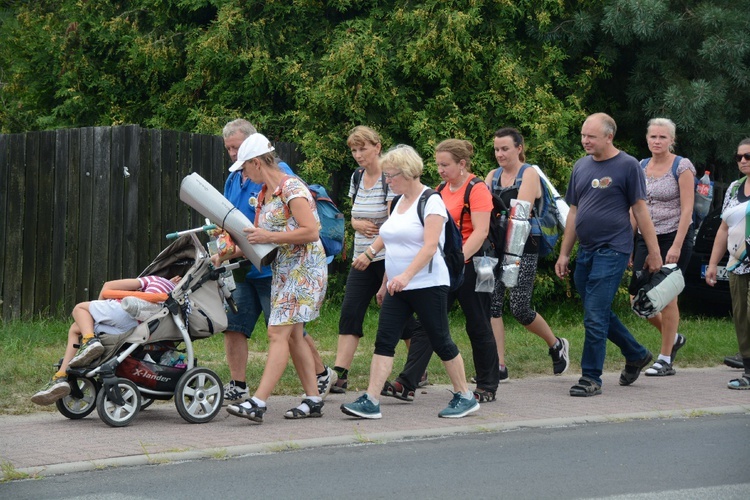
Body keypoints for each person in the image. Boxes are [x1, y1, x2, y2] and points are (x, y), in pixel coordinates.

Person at [340, 145, 479, 419]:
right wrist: (376, 265)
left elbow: (429, 247)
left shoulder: (432, 201)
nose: (387, 180)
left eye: (391, 175)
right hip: (398, 287)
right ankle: (371, 399)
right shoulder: (398, 202)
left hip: (428, 284)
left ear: (408, 173)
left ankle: (465, 395)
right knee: (385, 340)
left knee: (440, 340)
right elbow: (390, 238)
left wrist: (405, 276)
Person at [219, 119, 335, 404]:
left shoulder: (292, 188)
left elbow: (311, 231)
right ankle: (313, 399)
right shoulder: (262, 194)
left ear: (257, 162)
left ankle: (258, 401)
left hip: (304, 269)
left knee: (277, 333)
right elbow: (255, 240)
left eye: (245, 165)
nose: (242, 172)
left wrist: (268, 235)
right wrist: (223, 254)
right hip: (281, 269)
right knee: (293, 336)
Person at [381, 138, 501, 403]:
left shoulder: (477, 188)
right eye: (437, 165)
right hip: (444, 268)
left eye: (445, 165)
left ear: (462, 164)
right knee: (428, 324)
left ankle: (487, 385)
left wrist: (457, 261)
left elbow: (480, 232)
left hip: (476, 266)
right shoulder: (438, 191)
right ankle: (407, 382)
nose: (440, 170)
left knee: (478, 323)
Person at [555, 112, 662, 397]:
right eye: (583, 135)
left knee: (594, 316)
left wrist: (653, 252)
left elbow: (640, 210)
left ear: (609, 136)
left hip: (613, 249)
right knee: (597, 311)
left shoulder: (627, 165)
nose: (585, 141)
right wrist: (564, 254)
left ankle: (591, 378)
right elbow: (573, 212)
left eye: (591, 136)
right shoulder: (580, 166)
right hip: (586, 251)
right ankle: (636, 353)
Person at [484, 128, 570, 381]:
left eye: (505, 149)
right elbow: (483, 210)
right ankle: (498, 365)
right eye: (497, 149)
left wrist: (494, 213)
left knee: (520, 307)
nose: (500, 154)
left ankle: (556, 345)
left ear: (519, 148)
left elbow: (520, 213)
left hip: (523, 245)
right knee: (491, 304)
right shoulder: (492, 175)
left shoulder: (529, 173)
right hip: (494, 245)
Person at [330, 125, 410, 393]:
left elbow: (394, 223)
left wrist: (371, 251)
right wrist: (357, 225)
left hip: (387, 257)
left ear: (377, 147)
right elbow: (352, 216)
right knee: (350, 311)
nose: (358, 154)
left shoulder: (389, 178)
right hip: (362, 256)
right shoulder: (356, 176)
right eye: (354, 150)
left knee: (400, 316)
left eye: (363, 148)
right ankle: (339, 374)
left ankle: (414, 370)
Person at [31, 275, 179, 405]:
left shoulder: (154, 279)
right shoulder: (173, 296)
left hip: (122, 311)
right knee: (76, 328)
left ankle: (89, 342)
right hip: (133, 326)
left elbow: (107, 286)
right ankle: (61, 376)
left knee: (79, 309)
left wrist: (99, 306)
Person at [632, 118, 696, 376]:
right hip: (645, 236)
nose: (657, 141)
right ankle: (674, 337)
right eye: (653, 137)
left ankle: (665, 357)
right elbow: (634, 205)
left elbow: (688, 208)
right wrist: (630, 242)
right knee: (638, 299)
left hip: (673, 235)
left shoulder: (682, 166)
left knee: (667, 297)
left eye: (662, 137)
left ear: (672, 140)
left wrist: (677, 246)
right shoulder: (640, 166)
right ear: (647, 139)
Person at [705, 138, 750, 389]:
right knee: (741, 317)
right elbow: (724, 228)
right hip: (736, 263)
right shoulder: (734, 188)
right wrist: (713, 263)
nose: (743, 161)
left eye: (748, 156)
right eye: (739, 157)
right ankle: (748, 371)